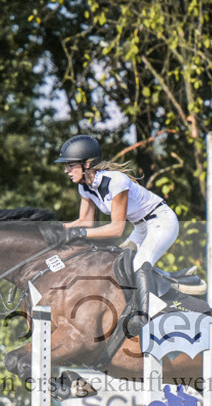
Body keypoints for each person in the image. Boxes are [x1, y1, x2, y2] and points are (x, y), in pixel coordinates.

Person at [55, 134, 179, 336]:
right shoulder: (84, 186)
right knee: (116, 263)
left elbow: (116, 229)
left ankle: (143, 318)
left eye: (70, 165)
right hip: (141, 227)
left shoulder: (116, 182)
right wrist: (60, 229)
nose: (66, 170)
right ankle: (158, 286)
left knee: (140, 263)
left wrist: (80, 233)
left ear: (87, 164)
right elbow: (84, 221)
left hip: (162, 221)